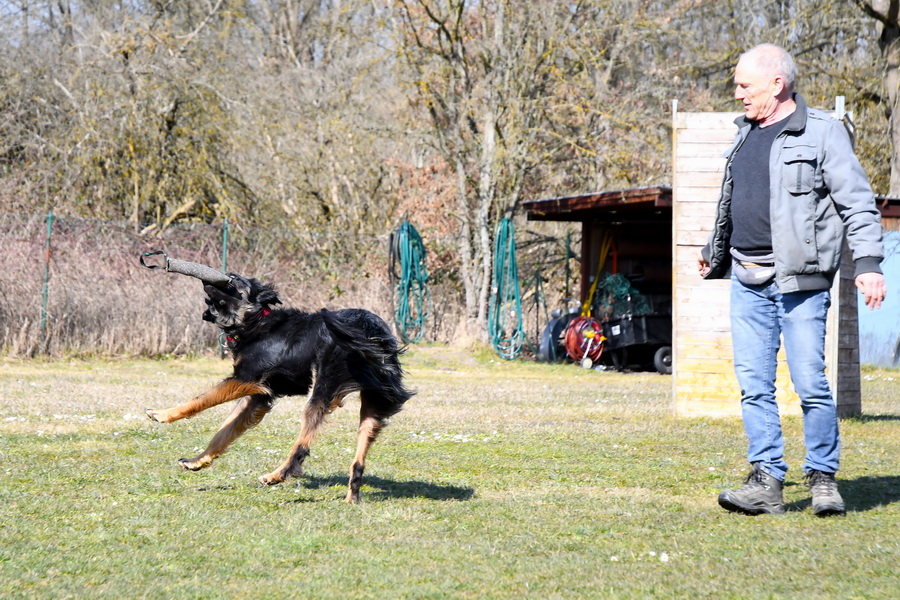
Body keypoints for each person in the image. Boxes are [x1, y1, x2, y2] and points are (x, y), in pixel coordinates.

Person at [698, 44, 887, 517]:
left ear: (776, 84)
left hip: (800, 285)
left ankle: (823, 479)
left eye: (745, 84)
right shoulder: (743, 134)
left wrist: (868, 264)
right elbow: (737, 203)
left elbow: (858, 203)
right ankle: (766, 480)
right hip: (747, 278)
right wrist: (713, 251)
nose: (737, 93)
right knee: (754, 386)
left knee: (810, 385)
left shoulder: (822, 132)